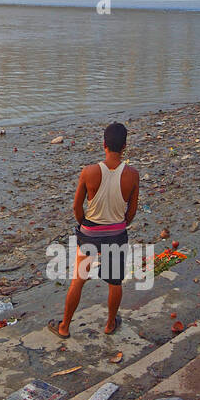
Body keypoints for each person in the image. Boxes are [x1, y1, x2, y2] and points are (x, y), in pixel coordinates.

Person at [49, 122, 140, 338]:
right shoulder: (132, 175)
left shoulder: (89, 172)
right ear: (125, 146)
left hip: (90, 234)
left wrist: (84, 224)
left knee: (78, 279)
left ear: (104, 144)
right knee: (114, 281)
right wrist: (119, 224)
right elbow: (132, 212)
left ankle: (64, 327)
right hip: (116, 234)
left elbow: (76, 207)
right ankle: (109, 324)